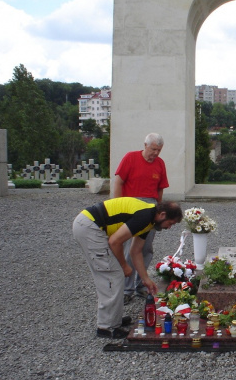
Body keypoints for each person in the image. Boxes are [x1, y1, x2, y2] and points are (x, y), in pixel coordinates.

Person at [73, 198, 183, 338]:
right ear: (162, 214)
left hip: (89, 225)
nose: (169, 228)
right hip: (89, 227)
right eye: (170, 223)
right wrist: (124, 266)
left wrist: (145, 279)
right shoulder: (144, 217)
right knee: (111, 275)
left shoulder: (149, 221)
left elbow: (135, 251)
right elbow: (115, 241)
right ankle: (106, 327)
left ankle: (114, 320)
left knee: (114, 274)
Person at [113, 133, 170, 303]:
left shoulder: (160, 164)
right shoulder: (130, 158)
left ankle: (141, 285)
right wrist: (116, 207)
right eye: (153, 149)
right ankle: (126, 289)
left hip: (151, 206)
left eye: (158, 150)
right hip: (129, 205)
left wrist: (158, 209)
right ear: (145, 145)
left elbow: (160, 189)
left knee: (145, 248)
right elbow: (118, 182)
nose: (156, 153)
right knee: (128, 248)